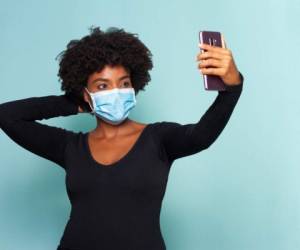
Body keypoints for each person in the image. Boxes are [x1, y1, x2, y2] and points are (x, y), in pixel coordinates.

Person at [0, 26, 244, 250]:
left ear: (134, 85)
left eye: (123, 83)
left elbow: (202, 135)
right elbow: (7, 116)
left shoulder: (158, 139)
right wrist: (75, 103)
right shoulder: (70, 147)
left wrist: (232, 88)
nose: (116, 92)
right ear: (87, 94)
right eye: (103, 86)